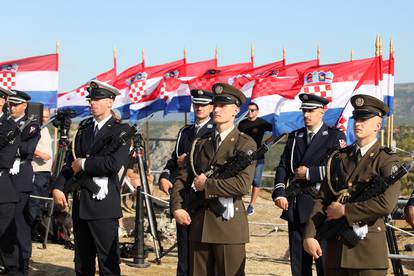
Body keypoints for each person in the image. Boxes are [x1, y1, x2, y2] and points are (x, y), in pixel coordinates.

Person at [303, 94, 401, 275]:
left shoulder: (386, 160)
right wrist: (310, 234)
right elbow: (323, 198)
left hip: (367, 253)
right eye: (356, 118)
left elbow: (385, 204)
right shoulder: (340, 157)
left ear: (378, 125)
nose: (358, 123)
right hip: (336, 249)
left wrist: (345, 211)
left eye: (364, 119)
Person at [171, 83, 256, 276]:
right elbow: (182, 178)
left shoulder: (245, 143)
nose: (216, 109)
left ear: (235, 110)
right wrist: (177, 206)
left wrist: (207, 184)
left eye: (222, 106)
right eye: (215, 105)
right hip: (199, 223)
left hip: (228, 226)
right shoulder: (200, 143)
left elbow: (242, 185)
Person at [52, 80, 131, 276]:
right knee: (82, 262)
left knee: (108, 263)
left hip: (103, 205)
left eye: (97, 99)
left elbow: (113, 164)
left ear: (110, 102)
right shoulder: (84, 129)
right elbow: (69, 163)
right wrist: (58, 186)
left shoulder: (120, 130)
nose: (92, 103)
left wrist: (85, 164)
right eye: (91, 99)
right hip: (81, 203)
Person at [272, 94, 346, 276]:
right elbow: (283, 166)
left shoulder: (334, 136)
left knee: (324, 263)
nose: (307, 115)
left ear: (322, 112)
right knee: (299, 266)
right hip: (296, 206)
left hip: (320, 208)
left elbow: (340, 169)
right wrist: (280, 192)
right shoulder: (295, 136)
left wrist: (310, 174)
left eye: (311, 111)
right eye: (305, 110)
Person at [159, 89, 214, 276]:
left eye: (204, 105)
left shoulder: (214, 131)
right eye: (196, 104)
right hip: (184, 196)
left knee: (202, 253)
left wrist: (188, 161)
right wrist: (165, 175)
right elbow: (174, 159)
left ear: (211, 107)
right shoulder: (185, 131)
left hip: (203, 197)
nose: (199, 108)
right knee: (183, 252)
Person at [8, 90, 41, 275]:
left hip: (20, 177)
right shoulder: (4, 123)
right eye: (10, 104)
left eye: (16, 104)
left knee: (20, 222)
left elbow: (28, 149)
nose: (12, 108)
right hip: (5, 176)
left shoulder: (31, 125)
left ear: (24, 106)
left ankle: (24, 260)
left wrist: (9, 145)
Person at [0, 87, 21, 275]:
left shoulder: (9, 127)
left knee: (6, 240)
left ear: (2, 101)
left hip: (2, 191)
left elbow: (5, 160)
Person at [238, 102, 272, 216]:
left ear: (257, 111)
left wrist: (267, 142)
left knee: (256, 180)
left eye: (252, 110)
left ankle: (252, 204)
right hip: (243, 157)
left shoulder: (262, 123)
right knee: (242, 178)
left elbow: (277, 130)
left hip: (258, 156)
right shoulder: (241, 124)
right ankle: (239, 201)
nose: (250, 112)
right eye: (248, 110)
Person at [30, 107, 53, 239]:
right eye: (43, 116)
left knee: (41, 205)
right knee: (34, 205)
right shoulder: (34, 129)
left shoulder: (45, 129)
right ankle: (30, 233)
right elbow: (25, 146)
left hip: (46, 173)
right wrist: (40, 154)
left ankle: (37, 231)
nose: (46, 119)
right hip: (36, 171)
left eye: (47, 116)